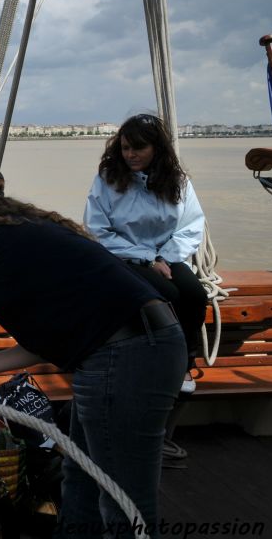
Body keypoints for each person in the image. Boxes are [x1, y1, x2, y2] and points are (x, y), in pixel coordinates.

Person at [0, 166, 184, 538]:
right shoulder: (21, 232)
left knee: (122, 496)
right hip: (135, 346)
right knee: (81, 475)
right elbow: (49, 335)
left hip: (127, 353)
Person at [83, 114, 208, 393]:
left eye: (138, 148)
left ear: (156, 148)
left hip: (167, 256)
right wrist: (146, 258)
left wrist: (165, 257)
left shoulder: (179, 182)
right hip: (122, 257)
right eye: (126, 148)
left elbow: (191, 226)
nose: (130, 155)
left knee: (195, 295)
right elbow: (98, 231)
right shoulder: (108, 179)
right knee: (168, 295)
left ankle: (184, 365)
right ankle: (159, 363)